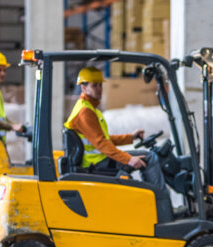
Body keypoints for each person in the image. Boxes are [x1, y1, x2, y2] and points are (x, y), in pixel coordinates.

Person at [64, 66, 168, 195]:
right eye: (94, 85)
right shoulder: (85, 111)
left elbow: (104, 139)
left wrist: (131, 137)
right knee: (149, 157)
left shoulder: (90, 107)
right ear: (84, 88)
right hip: (97, 163)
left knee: (145, 156)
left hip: (99, 160)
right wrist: (129, 159)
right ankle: (159, 201)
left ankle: (153, 198)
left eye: (100, 85)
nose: (99, 89)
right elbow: (102, 143)